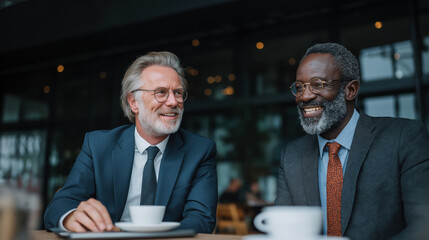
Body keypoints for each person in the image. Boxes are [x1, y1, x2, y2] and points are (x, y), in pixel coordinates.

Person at [44, 51, 218, 233]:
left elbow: (201, 219)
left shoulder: (200, 151)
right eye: (161, 93)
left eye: (178, 93)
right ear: (134, 102)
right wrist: (72, 217)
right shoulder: (98, 145)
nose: (174, 102)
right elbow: (60, 204)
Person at [275, 43, 429, 239]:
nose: (304, 96)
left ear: (351, 90)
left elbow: (424, 227)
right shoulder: (292, 156)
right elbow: (284, 232)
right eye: (299, 87)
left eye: (318, 84)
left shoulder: (404, 138)